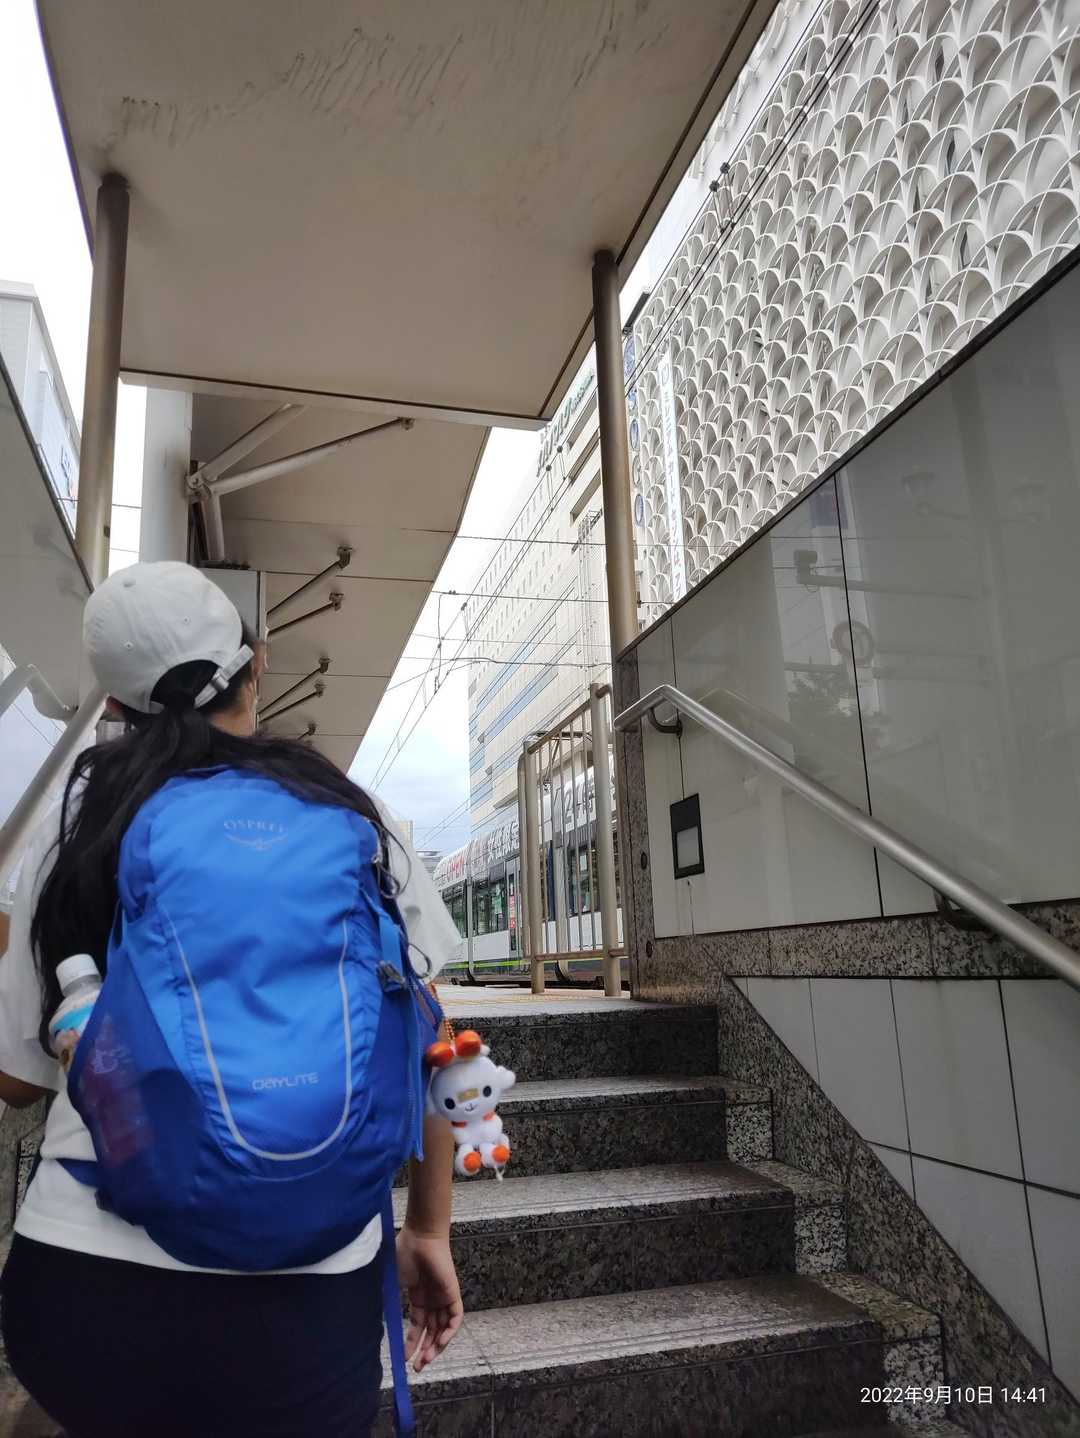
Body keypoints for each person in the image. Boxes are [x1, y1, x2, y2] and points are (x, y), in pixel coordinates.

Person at [0, 561, 464, 1438]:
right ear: (256, 666)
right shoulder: (347, 811)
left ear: (117, 704)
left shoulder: (77, 823)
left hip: (86, 1278)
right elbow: (433, 1045)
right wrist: (429, 1229)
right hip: (306, 1295)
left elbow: (19, 1081)